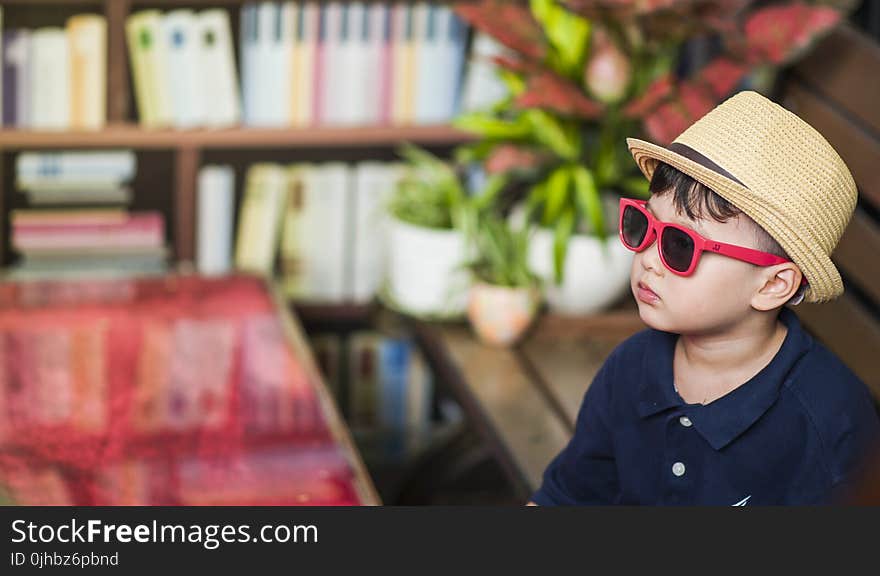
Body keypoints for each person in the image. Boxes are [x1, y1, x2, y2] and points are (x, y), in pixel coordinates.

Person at [529, 91, 880, 505]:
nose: (648, 260)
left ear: (772, 285)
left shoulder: (828, 423)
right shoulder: (631, 368)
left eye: (679, 245)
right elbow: (568, 498)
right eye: (644, 226)